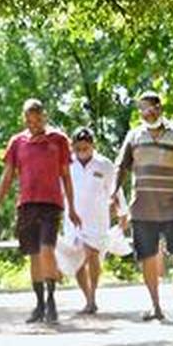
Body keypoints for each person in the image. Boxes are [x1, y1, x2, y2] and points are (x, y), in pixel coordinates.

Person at [0, 99, 81, 324]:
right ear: (24, 119)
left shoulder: (58, 140)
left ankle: (51, 300)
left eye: (37, 119)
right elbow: (7, 177)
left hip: (51, 203)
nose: (33, 124)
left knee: (47, 248)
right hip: (27, 203)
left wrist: (72, 207)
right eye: (29, 120)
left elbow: (66, 176)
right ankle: (39, 304)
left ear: (44, 117)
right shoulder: (17, 142)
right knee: (34, 254)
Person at [115, 92, 173, 320]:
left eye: (152, 108)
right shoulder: (134, 136)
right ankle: (156, 305)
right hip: (143, 208)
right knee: (148, 256)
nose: (148, 112)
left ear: (160, 108)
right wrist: (113, 193)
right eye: (143, 109)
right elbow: (121, 166)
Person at [63, 127, 128, 314]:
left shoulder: (104, 165)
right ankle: (87, 297)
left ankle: (92, 299)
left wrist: (123, 212)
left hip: (96, 219)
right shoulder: (67, 164)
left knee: (92, 254)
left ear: (93, 145)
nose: (82, 152)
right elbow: (59, 190)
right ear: (73, 147)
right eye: (78, 148)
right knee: (77, 260)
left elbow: (116, 191)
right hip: (73, 218)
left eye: (86, 148)